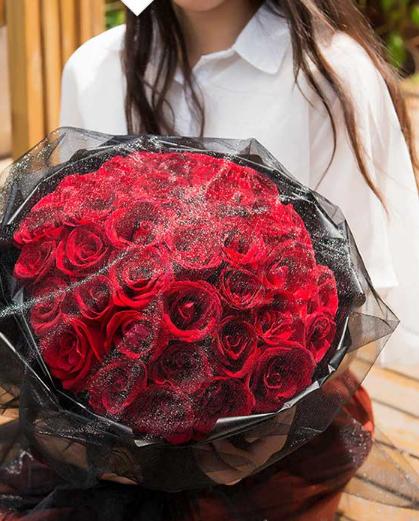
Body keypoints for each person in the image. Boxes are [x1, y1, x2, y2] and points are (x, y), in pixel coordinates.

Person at [56, 0, 419, 519]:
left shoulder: (332, 75)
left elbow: (361, 297)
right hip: (117, 435)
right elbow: (68, 270)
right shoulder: (94, 71)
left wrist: (262, 429)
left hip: (286, 438)